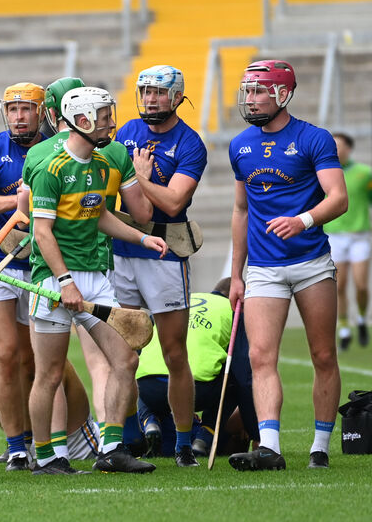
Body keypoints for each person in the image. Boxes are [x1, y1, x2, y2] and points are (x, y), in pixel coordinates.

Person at [26, 86, 165, 475]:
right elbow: (42, 232)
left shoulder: (102, 164)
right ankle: (46, 456)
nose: (110, 121)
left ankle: (112, 448)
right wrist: (65, 281)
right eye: (103, 116)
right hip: (53, 281)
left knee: (126, 359)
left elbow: (98, 214)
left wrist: (141, 236)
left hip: (96, 278)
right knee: (50, 373)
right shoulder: (49, 168)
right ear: (81, 121)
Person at [228, 59, 348, 471]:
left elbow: (337, 198)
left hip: (312, 262)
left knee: (323, 355)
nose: (251, 99)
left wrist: (303, 220)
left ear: (283, 94)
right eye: (248, 90)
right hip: (262, 268)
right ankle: (271, 447)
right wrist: (237, 273)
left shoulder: (314, 139)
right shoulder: (240, 145)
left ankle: (320, 446)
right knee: (261, 357)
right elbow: (241, 210)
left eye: (260, 91)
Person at [113, 65, 207, 467]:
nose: (150, 99)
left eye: (158, 92)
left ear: (177, 96)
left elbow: (171, 203)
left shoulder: (190, 143)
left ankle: (183, 442)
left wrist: (138, 179)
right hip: (120, 251)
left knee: (173, 352)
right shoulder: (124, 132)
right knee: (121, 353)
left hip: (165, 256)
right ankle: (124, 440)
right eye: (145, 91)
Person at [0, 83, 46, 471]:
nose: (18, 116)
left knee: (34, 362)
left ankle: (36, 441)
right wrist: (21, 205)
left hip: (39, 264)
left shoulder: (54, 148)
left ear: (41, 112)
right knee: (5, 355)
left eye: (26, 109)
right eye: (12, 109)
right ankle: (15, 448)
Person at [136, 279, 257, 458]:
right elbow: (243, 375)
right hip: (197, 388)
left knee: (147, 369)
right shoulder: (234, 310)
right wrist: (255, 432)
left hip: (149, 389)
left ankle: (150, 423)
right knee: (233, 375)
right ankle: (204, 437)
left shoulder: (183, 300)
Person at [0, 360, 99, 463]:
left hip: (78, 448)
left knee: (52, 369)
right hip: (31, 443)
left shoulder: (53, 362)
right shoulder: (12, 359)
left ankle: (59, 453)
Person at [323, 132, 372, 350]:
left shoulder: (365, 173)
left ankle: (361, 319)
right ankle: (343, 328)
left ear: (349, 148)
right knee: (339, 286)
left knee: (361, 285)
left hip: (359, 236)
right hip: (334, 236)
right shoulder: (323, 172)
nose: (336, 149)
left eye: (339, 145)